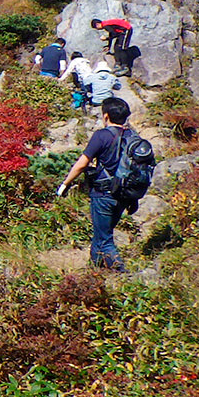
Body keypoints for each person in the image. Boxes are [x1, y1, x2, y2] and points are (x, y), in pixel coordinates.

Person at [56, 96, 135, 272]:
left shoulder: (102, 136)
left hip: (103, 194)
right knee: (101, 232)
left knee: (105, 237)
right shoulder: (133, 137)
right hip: (124, 194)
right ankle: (95, 269)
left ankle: (123, 276)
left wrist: (65, 184)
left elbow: (82, 164)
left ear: (106, 116)